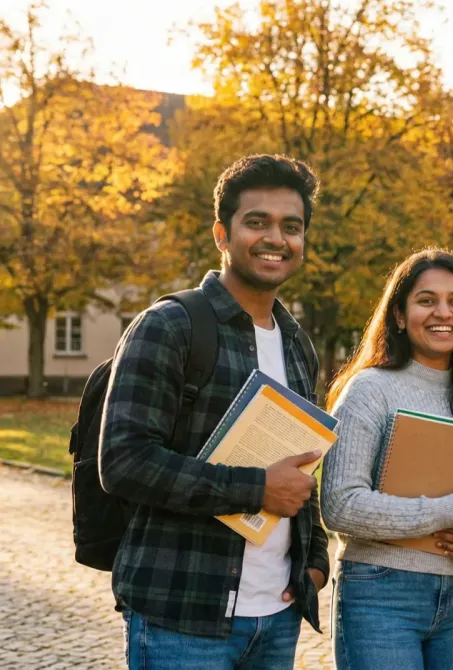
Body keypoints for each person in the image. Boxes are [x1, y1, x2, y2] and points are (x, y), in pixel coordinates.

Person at [99, 154, 329, 668]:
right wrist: (256, 488)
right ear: (222, 234)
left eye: (291, 227)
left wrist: (315, 563)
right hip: (182, 615)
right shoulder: (170, 326)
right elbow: (124, 461)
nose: (276, 238)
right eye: (257, 222)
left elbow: (301, 469)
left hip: (277, 616)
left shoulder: (298, 345)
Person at [320, 249, 453, 670]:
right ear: (400, 316)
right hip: (380, 593)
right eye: (427, 300)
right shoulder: (370, 389)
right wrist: (447, 510)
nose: (443, 312)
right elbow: (339, 505)